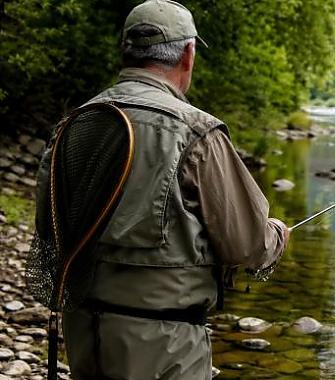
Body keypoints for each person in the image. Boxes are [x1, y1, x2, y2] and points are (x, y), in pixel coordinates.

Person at [35, 1, 290, 378]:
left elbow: (48, 226)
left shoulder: (74, 122)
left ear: (126, 52)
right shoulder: (197, 131)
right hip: (165, 342)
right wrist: (277, 237)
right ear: (188, 55)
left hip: (83, 329)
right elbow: (246, 245)